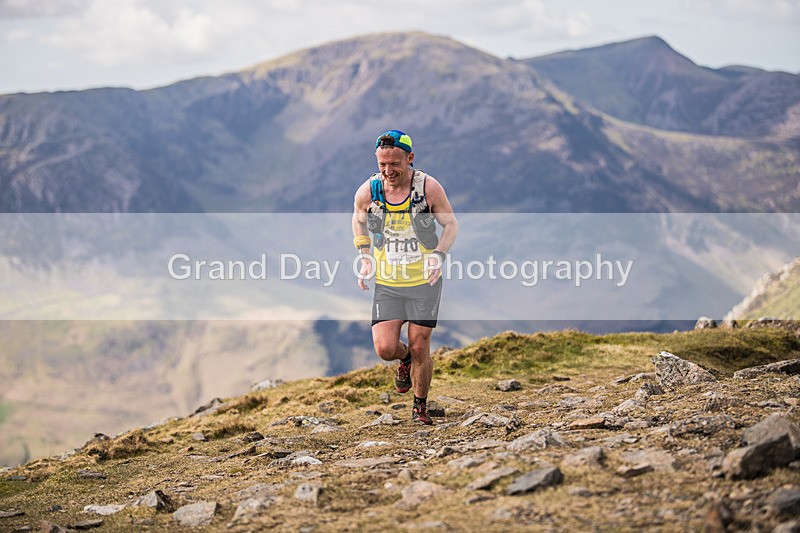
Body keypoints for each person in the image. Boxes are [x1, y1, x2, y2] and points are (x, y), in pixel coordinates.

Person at [352, 130, 458, 425]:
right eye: (382, 164)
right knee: (385, 348)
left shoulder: (429, 189)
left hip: (425, 282)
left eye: (394, 164)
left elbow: (451, 226)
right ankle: (405, 360)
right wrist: (364, 255)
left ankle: (420, 407)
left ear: (410, 158)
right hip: (388, 282)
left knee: (421, 344)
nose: (387, 171)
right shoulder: (369, 191)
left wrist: (438, 255)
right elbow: (358, 219)